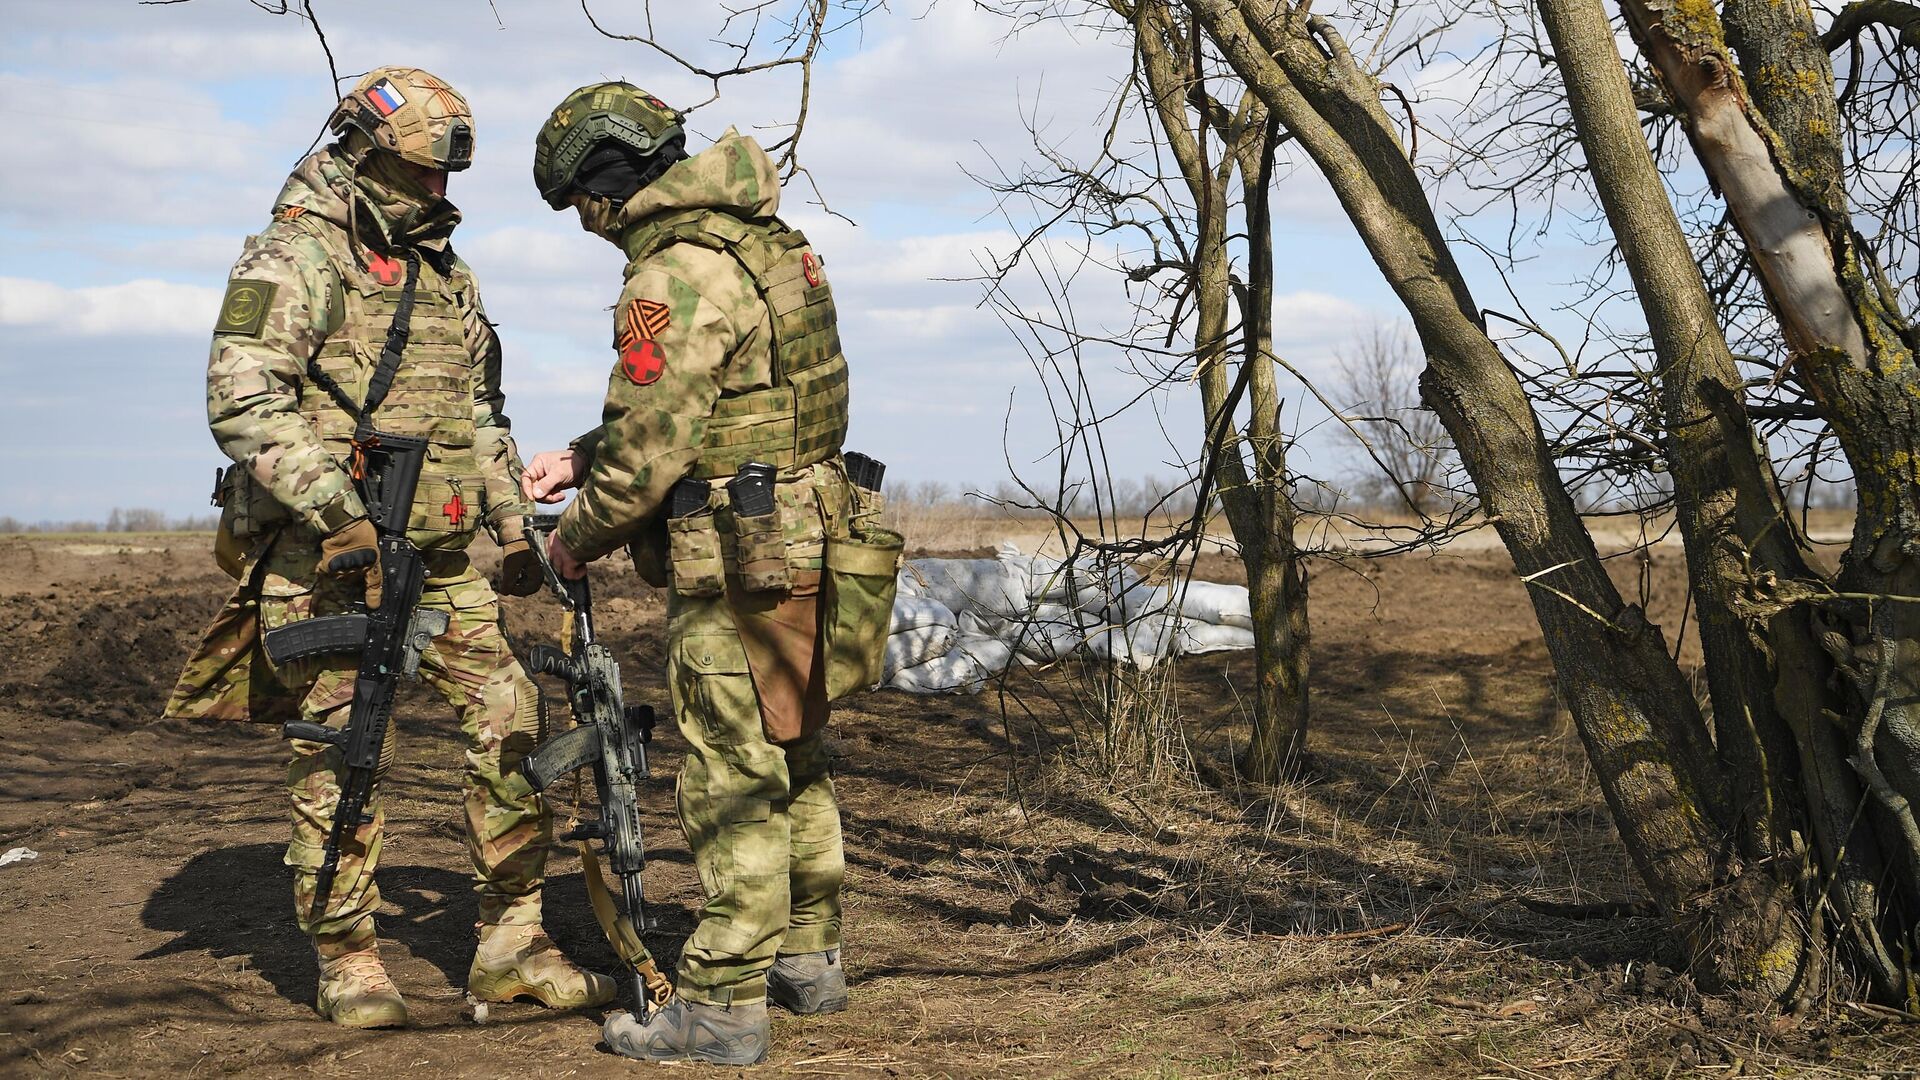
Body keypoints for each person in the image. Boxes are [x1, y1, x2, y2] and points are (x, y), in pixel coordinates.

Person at [165, 66, 613, 1029]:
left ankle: (512, 943)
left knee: (514, 722)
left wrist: (508, 527)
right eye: (424, 175)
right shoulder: (296, 258)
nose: (442, 195)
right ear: (365, 157)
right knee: (344, 747)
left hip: (445, 557)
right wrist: (339, 511)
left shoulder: (446, 273)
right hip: (333, 554)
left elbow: (478, 416)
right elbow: (241, 397)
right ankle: (348, 956)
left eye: (450, 177)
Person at [522, 82, 857, 1065]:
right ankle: (810, 958)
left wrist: (576, 533)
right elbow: (739, 399)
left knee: (731, 773)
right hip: (811, 536)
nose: (589, 227)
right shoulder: (766, 242)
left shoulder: (672, 271)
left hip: (735, 561)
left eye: (580, 207)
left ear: (604, 183)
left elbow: (654, 451)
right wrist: (587, 453)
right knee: (794, 752)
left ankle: (718, 1005)